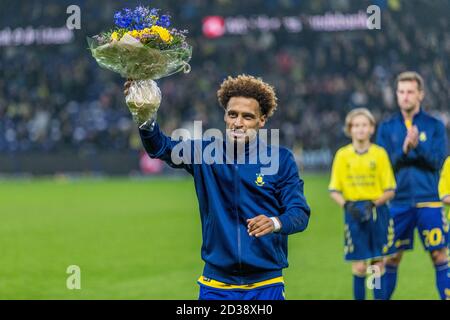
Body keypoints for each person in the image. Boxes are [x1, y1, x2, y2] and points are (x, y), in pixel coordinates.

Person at [124, 75, 311, 300]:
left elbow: (299, 213)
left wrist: (274, 222)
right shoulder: (205, 154)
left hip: (266, 285)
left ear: (262, 120)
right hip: (216, 285)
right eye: (232, 114)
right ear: (225, 115)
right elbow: (160, 147)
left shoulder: (281, 159)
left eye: (247, 117)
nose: (238, 123)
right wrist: (145, 115)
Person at [376, 71, 449, 300]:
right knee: (389, 257)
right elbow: (382, 166)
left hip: (429, 200)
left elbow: (439, 161)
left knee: (440, 255)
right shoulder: (387, 127)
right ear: (396, 95)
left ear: (420, 95)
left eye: (410, 92)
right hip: (397, 202)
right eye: (401, 92)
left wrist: (417, 147)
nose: (405, 96)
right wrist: (405, 149)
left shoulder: (435, 125)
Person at [329, 108, 396, 300]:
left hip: (377, 211)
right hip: (353, 211)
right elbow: (334, 190)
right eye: (356, 125)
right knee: (359, 266)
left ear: (371, 128)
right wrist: (347, 206)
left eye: (364, 125)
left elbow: (390, 189)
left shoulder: (379, 154)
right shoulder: (342, 155)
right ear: (350, 129)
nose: (360, 129)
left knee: (377, 265)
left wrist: (373, 204)